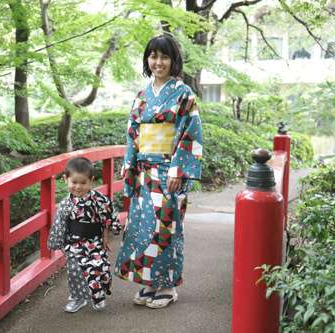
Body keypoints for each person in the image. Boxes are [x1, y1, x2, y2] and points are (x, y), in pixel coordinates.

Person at [114, 34, 203, 309]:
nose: (158, 62)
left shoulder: (183, 93)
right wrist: (129, 162)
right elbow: (133, 133)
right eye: (153, 56)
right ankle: (150, 281)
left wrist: (178, 168)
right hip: (144, 172)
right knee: (144, 227)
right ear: (147, 60)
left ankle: (167, 285)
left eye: (164, 56)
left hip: (169, 172)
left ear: (173, 59)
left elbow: (190, 132)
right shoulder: (142, 96)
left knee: (166, 226)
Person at [47, 157, 121, 313]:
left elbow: (106, 218)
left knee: (98, 268)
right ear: (66, 179)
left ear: (91, 181)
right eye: (74, 182)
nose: (78, 187)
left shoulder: (99, 200)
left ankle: (98, 295)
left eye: (83, 183)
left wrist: (105, 238)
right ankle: (77, 298)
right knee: (75, 272)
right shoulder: (66, 203)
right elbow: (60, 224)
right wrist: (60, 244)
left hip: (95, 241)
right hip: (74, 242)